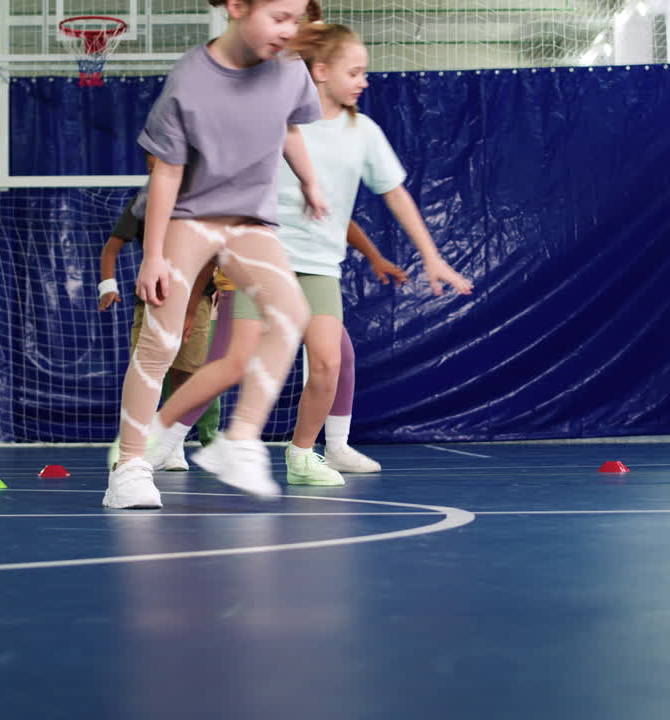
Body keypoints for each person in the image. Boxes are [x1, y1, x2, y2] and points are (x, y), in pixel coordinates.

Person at [147, 20, 473, 487]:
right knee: (229, 363)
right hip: (262, 256)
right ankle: (160, 439)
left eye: (365, 72)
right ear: (320, 71)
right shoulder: (274, 121)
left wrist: (432, 256)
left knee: (327, 362)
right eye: (355, 71)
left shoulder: (365, 133)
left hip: (320, 268)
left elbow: (397, 195)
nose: (365, 81)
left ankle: (302, 455)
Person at [103, 0, 326, 509]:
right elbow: (166, 171)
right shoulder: (191, 80)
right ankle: (131, 467)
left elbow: (289, 127)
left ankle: (240, 439)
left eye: (297, 19)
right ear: (237, 7)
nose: (289, 30)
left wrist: (311, 180)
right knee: (161, 340)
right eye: (278, 17)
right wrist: (154, 254)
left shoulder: (291, 69)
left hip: (250, 220)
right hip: (191, 218)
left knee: (291, 313)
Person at [149, 220, 406, 475]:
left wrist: (374, 256)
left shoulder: (319, 193)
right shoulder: (258, 192)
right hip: (254, 277)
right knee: (223, 365)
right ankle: (162, 442)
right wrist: (194, 304)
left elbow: (340, 217)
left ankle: (337, 447)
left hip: (307, 276)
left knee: (340, 359)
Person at [98, 153, 221, 471]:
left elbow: (209, 261)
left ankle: (173, 444)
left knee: (186, 372)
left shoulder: (203, 203)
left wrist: (192, 310)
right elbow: (111, 248)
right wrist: (107, 286)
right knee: (147, 371)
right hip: (152, 298)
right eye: (152, 165)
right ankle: (137, 451)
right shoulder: (144, 202)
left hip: (197, 298)